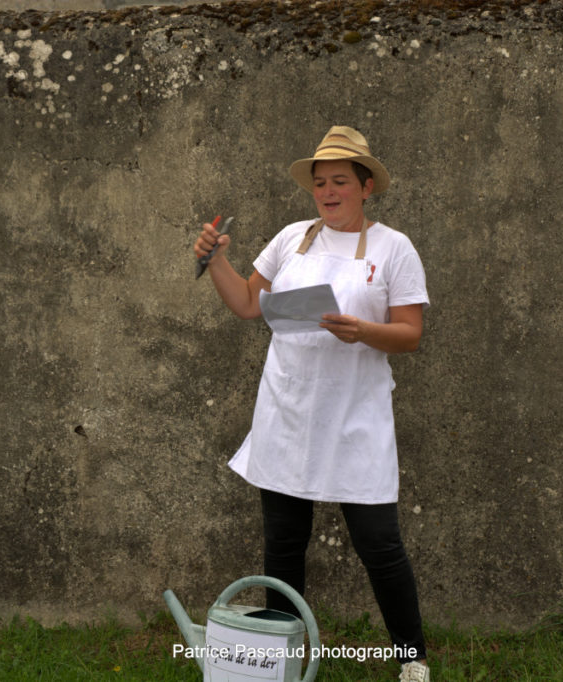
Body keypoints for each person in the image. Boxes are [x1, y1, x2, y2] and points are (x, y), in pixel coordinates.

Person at [193, 126, 431, 682]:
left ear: (366, 186)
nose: (327, 192)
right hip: (289, 410)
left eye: (340, 181)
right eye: (320, 183)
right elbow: (250, 306)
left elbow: (411, 333)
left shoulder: (394, 248)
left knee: (379, 543)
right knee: (284, 541)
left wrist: (364, 331)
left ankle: (411, 658)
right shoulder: (292, 238)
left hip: (355, 418)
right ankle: (277, 661)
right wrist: (217, 261)